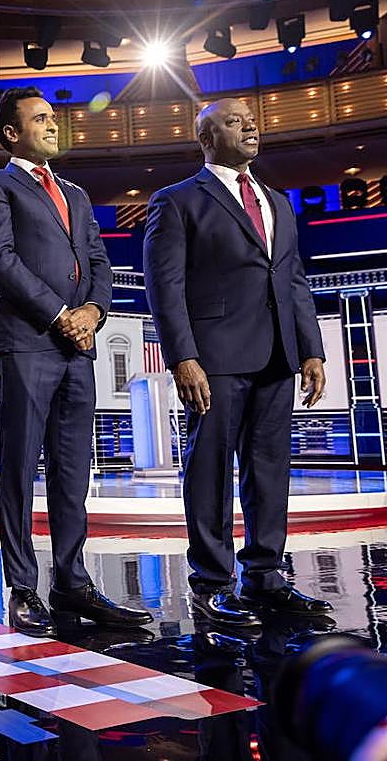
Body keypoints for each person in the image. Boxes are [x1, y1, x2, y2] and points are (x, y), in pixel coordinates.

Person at [0, 86, 152, 637]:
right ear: (10, 133)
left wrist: (92, 310)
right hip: (27, 343)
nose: (53, 125)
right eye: (40, 119)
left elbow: (98, 260)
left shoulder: (76, 193)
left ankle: (71, 580)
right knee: (21, 469)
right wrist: (59, 314)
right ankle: (23, 589)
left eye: (54, 118)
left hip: (79, 347)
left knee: (73, 472)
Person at [144, 98, 331, 628]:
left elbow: (292, 279)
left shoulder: (277, 201)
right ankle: (211, 583)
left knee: (270, 469)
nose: (249, 125)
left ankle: (266, 576)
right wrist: (183, 356)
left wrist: (311, 348)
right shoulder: (177, 200)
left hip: (277, 354)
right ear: (205, 137)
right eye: (233, 121)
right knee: (209, 470)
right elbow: (165, 285)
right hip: (215, 358)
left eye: (252, 119)